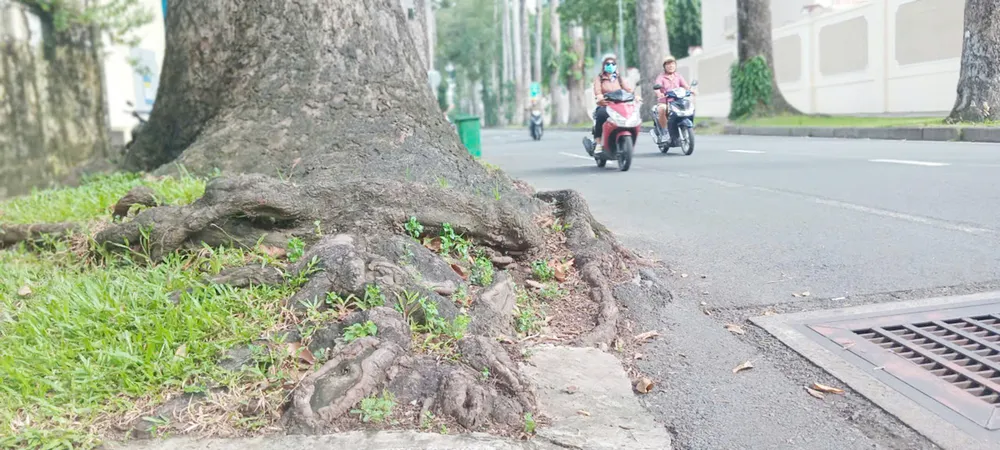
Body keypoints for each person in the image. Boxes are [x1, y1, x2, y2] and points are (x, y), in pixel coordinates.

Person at [591, 54, 633, 155]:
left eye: (612, 63)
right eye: (608, 64)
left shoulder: (618, 78)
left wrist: (635, 96)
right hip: (606, 105)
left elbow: (627, 89)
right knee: (600, 115)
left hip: (619, 105)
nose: (610, 65)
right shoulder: (600, 78)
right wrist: (599, 96)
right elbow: (597, 90)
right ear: (604, 65)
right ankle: (598, 143)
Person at [653, 56, 691, 144]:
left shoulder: (678, 76)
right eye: (668, 64)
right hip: (665, 101)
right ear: (664, 66)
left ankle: (686, 127)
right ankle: (665, 132)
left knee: (689, 106)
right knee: (662, 109)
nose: (671, 66)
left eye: (672, 64)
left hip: (678, 102)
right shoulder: (661, 77)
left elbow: (686, 86)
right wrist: (659, 93)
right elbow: (657, 87)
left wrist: (691, 90)